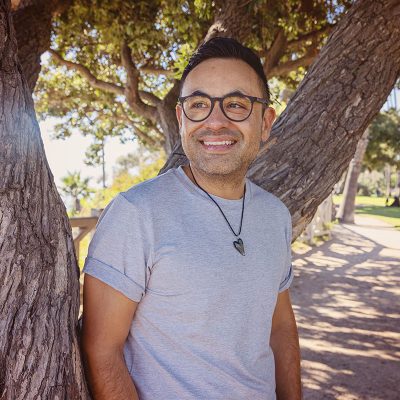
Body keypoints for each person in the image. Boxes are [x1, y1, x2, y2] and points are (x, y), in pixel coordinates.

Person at [81, 37, 302, 400]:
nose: (215, 121)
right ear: (182, 120)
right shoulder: (136, 214)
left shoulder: (275, 215)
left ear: (265, 123)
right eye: (199, 104)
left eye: (236, 104)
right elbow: (103, 351)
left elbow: (279, 327)